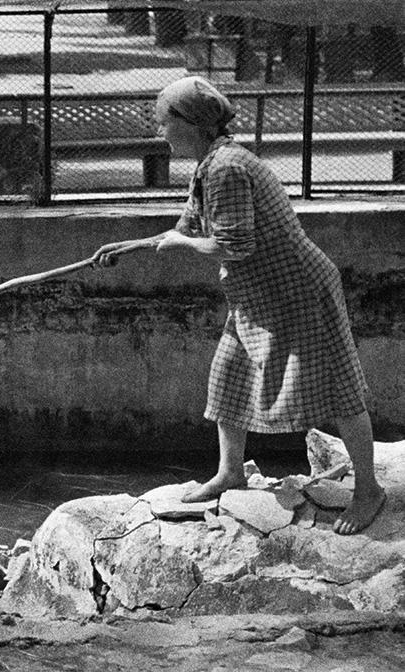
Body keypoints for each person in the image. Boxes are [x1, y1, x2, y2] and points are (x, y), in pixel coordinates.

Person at [92, 76, 386, 535]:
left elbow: (236, 244)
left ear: (191, 123)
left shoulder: (227, 167)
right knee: (228, 375)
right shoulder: (210, 162)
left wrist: (179, 244)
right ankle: (231, 471)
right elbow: (185, 229)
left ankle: (368, 489)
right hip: (258, 294)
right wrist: (122, 247)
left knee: (339, 387)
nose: (160, 133)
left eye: (163, 122)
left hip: (298, 289)